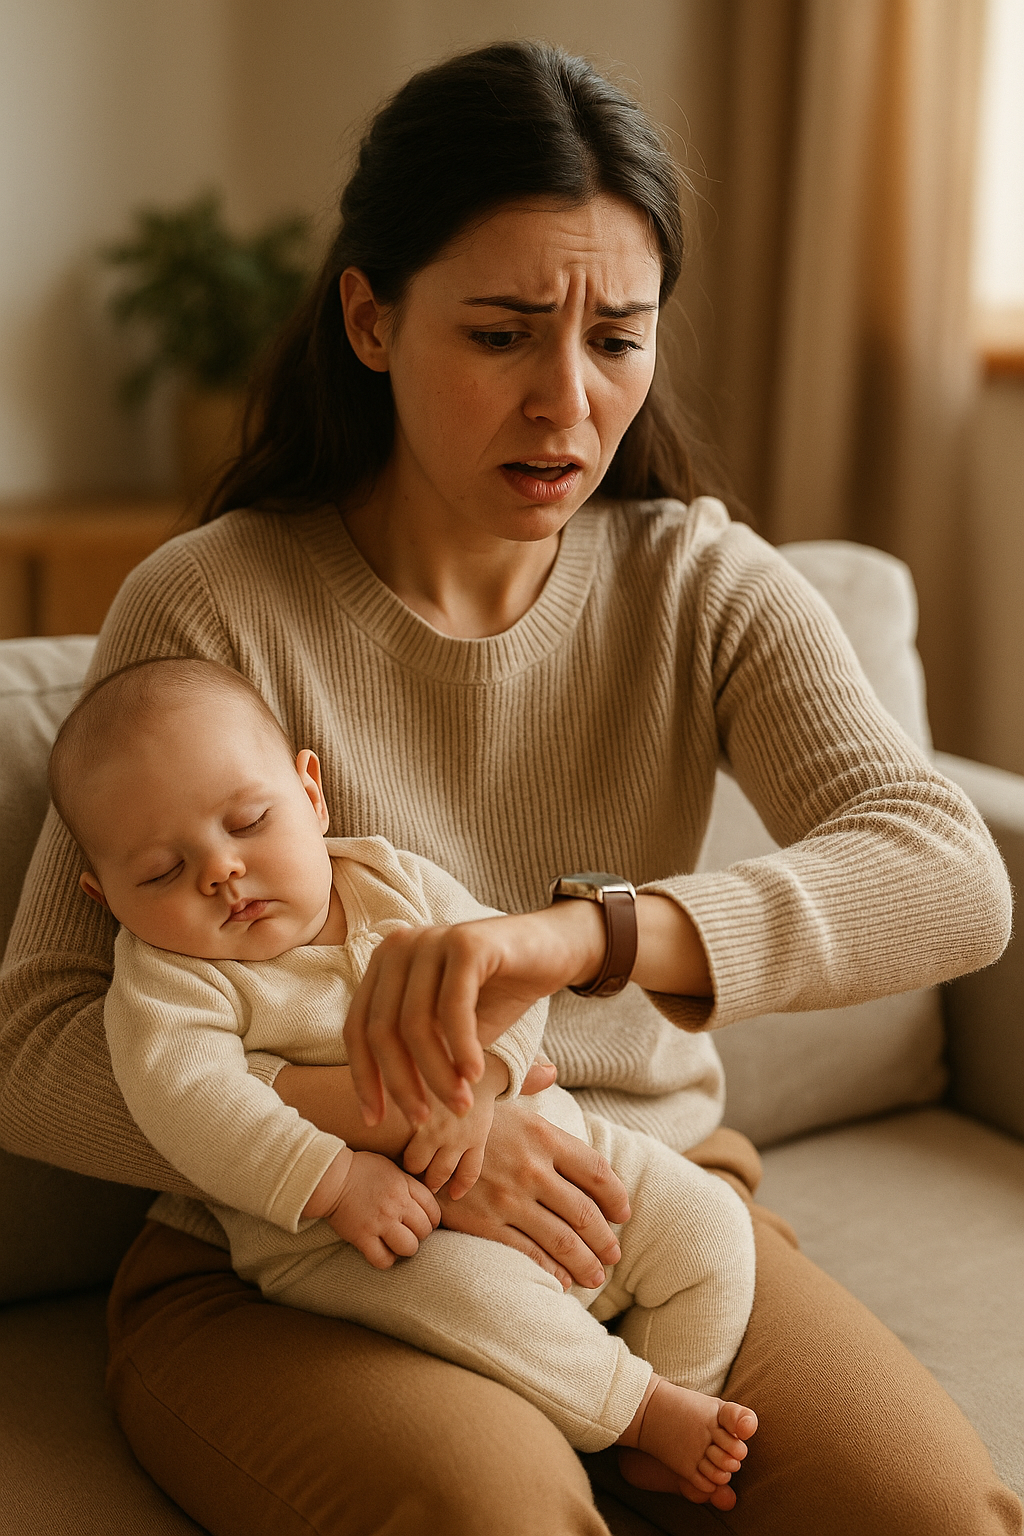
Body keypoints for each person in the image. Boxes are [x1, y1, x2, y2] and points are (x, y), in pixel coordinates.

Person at [0, 37, 1019, 1536]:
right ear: (371, 318)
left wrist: (586, 934)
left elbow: (950, 876)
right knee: (497, 1515)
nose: (567, 402)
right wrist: (396, 1133)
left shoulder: (702, 583)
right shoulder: (211, 605)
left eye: (617, 338)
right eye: (501, 334)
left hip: (631, 1197)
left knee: (928, 1514)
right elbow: (33, 1048)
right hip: (292, 1258)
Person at [49, 654, 759, 1507]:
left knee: (709, 1224)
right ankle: (640, 1410)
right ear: (103, 897)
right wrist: (336, 1180)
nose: (219, 871)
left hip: (552, 1143)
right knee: (480, 1301)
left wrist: (485, 1084)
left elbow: (510, 981)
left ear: (311, 793)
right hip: (351, 1235)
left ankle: (674, 1408)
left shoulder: (397, 879)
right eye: (161, 872)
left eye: (248, 821)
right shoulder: (171, 981)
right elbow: (191, 1104)